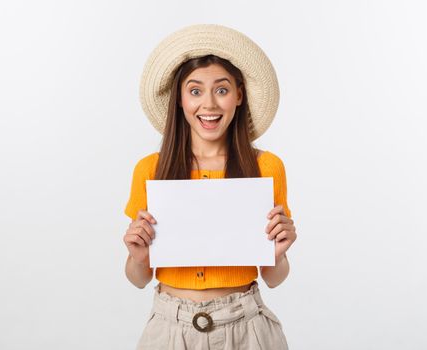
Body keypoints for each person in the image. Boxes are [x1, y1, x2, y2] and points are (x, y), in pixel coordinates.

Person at [123, 24, 297, 349]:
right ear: (179, 99)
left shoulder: (265, 168)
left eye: (221, 89)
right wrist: (138, 257)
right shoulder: (150, 170)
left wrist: (278, 254)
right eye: (195, 91)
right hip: (170, 329)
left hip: (246, 328)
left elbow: (274, 277)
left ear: (239, 95)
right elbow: (138, 278)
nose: (209, 105)